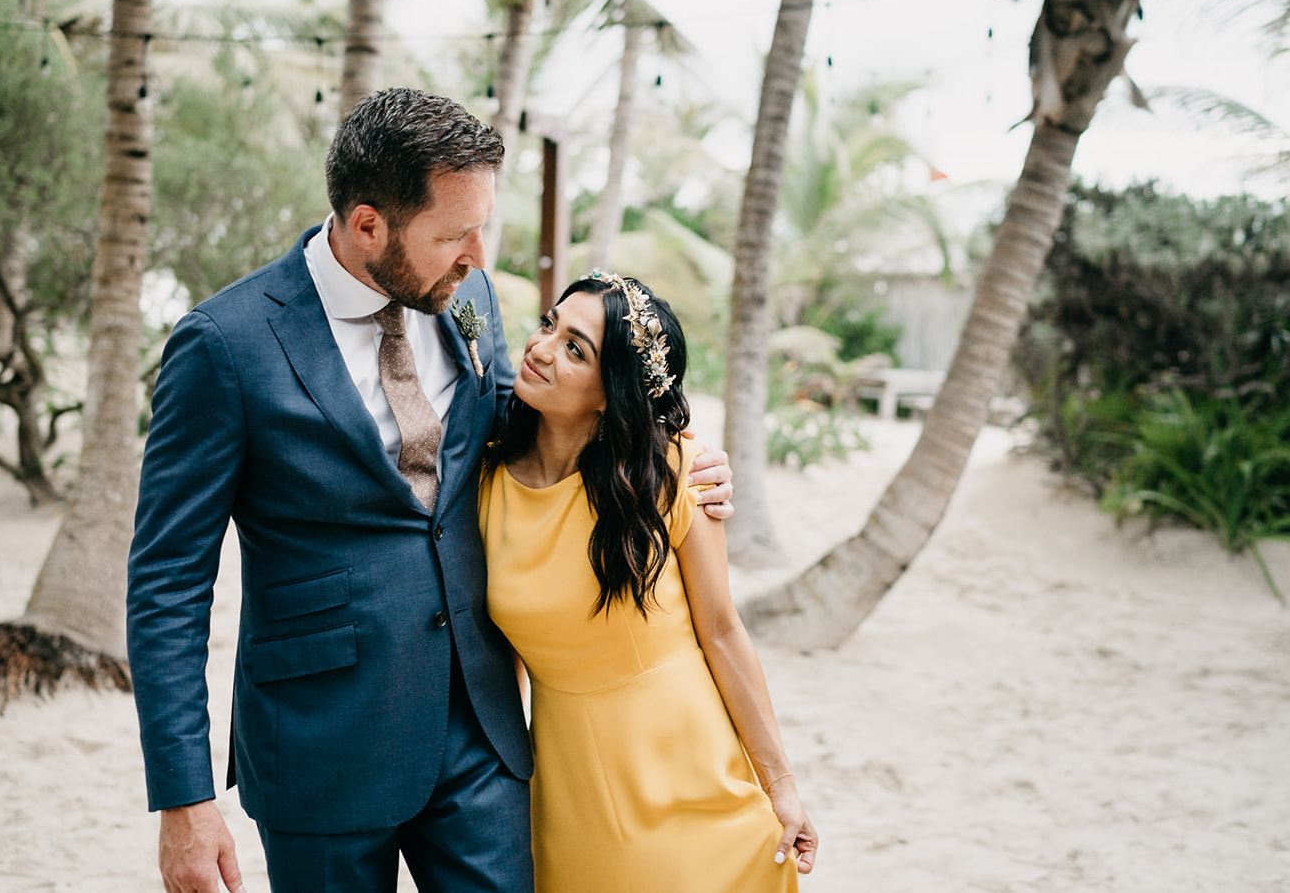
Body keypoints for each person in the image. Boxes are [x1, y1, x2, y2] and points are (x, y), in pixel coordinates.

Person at [126, 88, 735, 893]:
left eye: (482, 227)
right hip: (320, 747)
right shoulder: (226, 345)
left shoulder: (469, 298)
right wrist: (184, 798)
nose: (477, 255)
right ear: (368, 223)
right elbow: (168, 581)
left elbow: (530, 420)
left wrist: (667, 456)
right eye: (454, 234)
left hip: (478, 732)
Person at [479, 271, 817, 893]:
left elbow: (721, 631)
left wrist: (783, 787)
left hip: (687, 774)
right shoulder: (485, 483)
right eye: (550, 324)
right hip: (566, 784)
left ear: (612, 391)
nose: (543, 348)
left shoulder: (672, 475)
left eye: (576, 349)